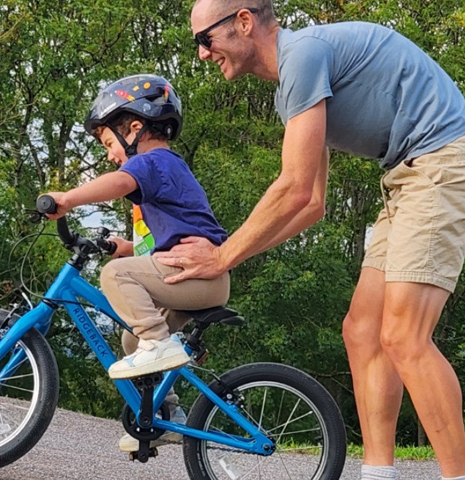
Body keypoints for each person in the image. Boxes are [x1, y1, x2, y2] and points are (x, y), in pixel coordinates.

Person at [155, 1, 465, 478]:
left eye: (205, 39)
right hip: (406, 176)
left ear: (243, 21)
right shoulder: (290, 90)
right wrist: (229, 257)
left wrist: (221, 257)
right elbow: (313, 202)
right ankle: (378, 474)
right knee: (362, 331)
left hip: (442, 160)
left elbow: (294, 186)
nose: (202, 54)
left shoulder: (302, 55)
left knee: (405, 335)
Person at [43, 74, 230, 451]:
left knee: (115, 277)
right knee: (133, 338)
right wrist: (122, 247)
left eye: (110, 143)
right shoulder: (162, 175)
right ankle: (170, 416)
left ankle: (160, 344)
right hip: (190, 278)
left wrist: (68, 198)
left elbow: (117, 182)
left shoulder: (154, 160)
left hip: (197, 276)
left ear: (135, 127)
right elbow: (159, 245)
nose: (111, 154)